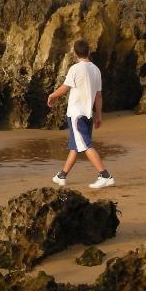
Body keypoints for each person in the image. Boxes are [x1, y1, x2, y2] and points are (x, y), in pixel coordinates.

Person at [46, 39, 115, 189]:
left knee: (85, 145)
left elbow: (65, 88)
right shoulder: (96, 70)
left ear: (75, 53)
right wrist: (99, 115)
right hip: (87, 114)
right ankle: (62, 175)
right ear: (88, 51)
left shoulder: (75, 69)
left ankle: (105, 175)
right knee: (76, 146)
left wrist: (52, 95)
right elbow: (98, 96)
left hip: (76, 114)